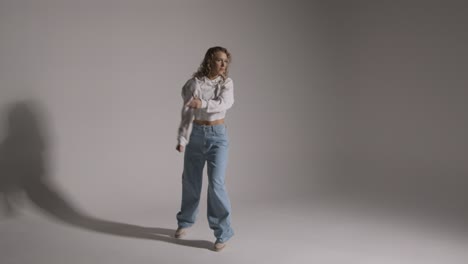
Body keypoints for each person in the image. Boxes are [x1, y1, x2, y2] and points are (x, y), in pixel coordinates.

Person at [175, 46, 234, 252]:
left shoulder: (226, 83)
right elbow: (187, 113)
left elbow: (224, 104)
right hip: (196, 136)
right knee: (190, 181)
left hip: (218, 136)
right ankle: (185, 222)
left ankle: (223, 232)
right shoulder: (194, 84)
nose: (223, 65)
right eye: (219, 60)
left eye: (226, 61)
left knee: (216, 184)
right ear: (209, 61)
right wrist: (182, 138)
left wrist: (202, 103)